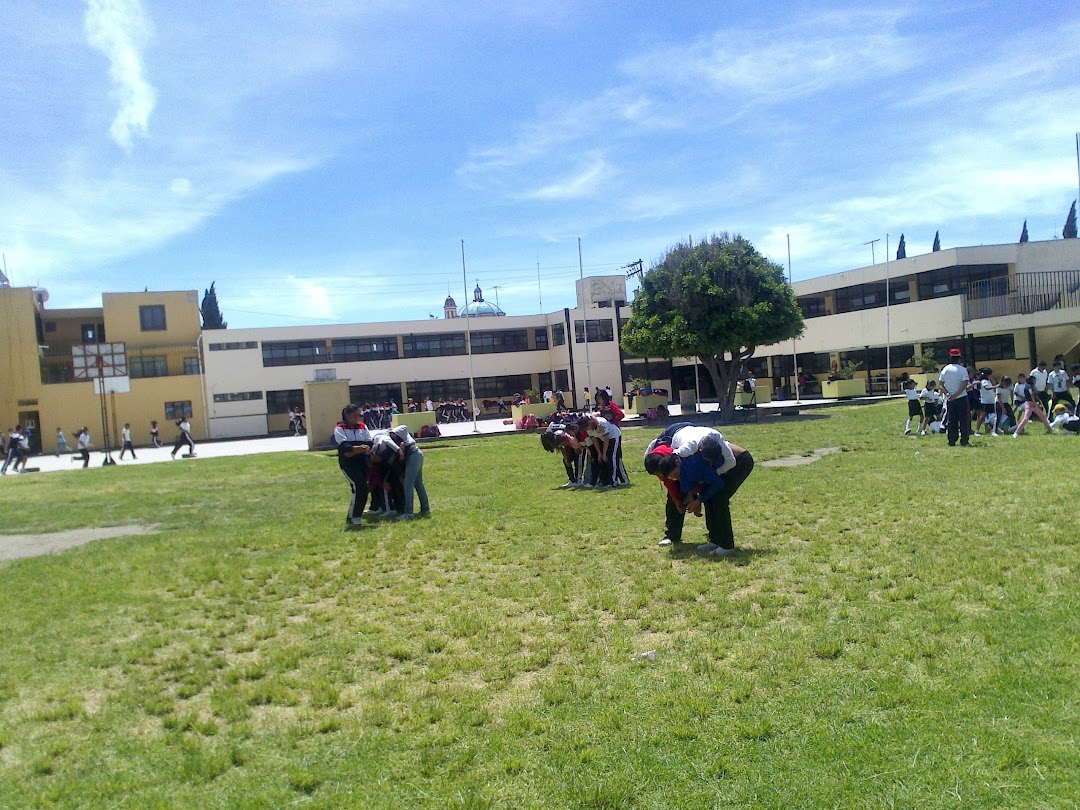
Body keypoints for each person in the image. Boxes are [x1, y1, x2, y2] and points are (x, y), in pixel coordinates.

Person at [654, 432, 754, 558]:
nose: (676, 479)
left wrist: (699, 500)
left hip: (740, 462)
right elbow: (690, 486)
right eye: (673, 478)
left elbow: (717, 484)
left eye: (676, 475)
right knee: (710, 498)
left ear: (678, 464)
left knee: (719, 499)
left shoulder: (693, 464)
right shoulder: (681, 464)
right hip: (722, 465)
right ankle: (715, 540)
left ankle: (727, 545)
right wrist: (694, 500)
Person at [334, 404, 373, 526]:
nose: (358, 418)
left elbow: (369, 443)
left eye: (359, 415)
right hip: (348, 465)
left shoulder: (363, 427)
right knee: (359, 485)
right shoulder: (340, 428)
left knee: (363, 488)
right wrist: (358, 449)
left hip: (362, 462)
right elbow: (344, 448)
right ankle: (354, 517)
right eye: (355, 415)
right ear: (348, 415)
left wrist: (355, 450)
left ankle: (353, 516)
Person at [389, 425, 429, 519]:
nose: (393, 435)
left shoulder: (403, 441)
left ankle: (408, 512)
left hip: (413, 457)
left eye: (395, 433)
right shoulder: (407, 440)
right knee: (419, 484)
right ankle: (426, 509)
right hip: (418, 455)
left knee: (408, 485)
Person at [577, 414, 628, 488]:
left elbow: (607, 439)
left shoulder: (602, 423)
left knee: (612, 458)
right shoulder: (589, 429)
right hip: (603, 439)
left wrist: (604, 453)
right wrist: (599, 453)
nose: (586, 430)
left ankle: (613, 482)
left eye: (586, 427)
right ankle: (605, 481)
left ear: (589, 423)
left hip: (613, 437)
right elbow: (594, 439)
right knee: (604, 460)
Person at [939, 348, 972, 447]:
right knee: (964, 420)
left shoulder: (945, 369)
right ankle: (964, 440)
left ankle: (952, 440)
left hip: (949, 399)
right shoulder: (962, 370)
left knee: (951, 420)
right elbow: (965, 384)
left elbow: (940, 385)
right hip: (961, 398)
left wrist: (948, 394)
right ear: (959, 358)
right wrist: (956, 395)